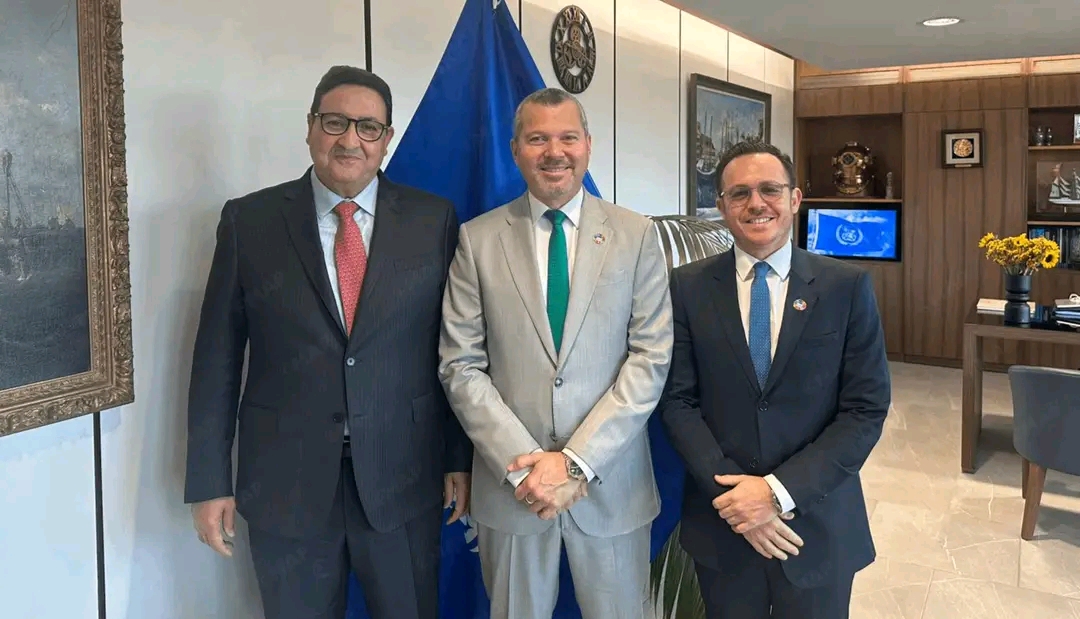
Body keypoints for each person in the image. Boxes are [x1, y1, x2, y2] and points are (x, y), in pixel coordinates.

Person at [183, 65, 472, 619]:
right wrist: (209, 482)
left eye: (368, 127)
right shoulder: (249, 221)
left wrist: (459, 457)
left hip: (402, 475)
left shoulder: (432, 220)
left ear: (386, 139)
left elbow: (453, 349)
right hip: (285, 482)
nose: (350, 140)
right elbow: (216, 359)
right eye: (335, 122)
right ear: (311, 127)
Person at [437, 87, 673, 619]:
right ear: (515, 149)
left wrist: (575, 463)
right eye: (537, 139)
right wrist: (529, 470)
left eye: (567, 137)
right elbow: (461, 364)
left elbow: (650, 358)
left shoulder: (636, 235)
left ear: (588, 144)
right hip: (513, 489)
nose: (554, 152)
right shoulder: (478, 240)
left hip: (611, 487)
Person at [657, 139, 891, 618]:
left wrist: (775, 493)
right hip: (723, 525)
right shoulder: (687, 286)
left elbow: (864, 410)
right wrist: (738, 499)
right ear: (721, 205)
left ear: (795, 199)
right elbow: (678, 402)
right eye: (739, 193)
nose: (756, 203)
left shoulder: (846, 287)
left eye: (770, 189)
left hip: (816, 524)